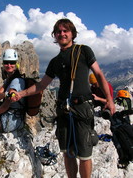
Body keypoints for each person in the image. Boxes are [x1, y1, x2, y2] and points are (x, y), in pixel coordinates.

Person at [12, 19, 116, 178]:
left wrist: (109, 100)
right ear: (55, 35)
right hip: (63, 110)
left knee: (84, 153)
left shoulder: (84, 51)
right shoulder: (54, 62)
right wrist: (21, 94)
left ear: (72, 33)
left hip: (82, 108)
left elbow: (99, 74)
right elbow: (41, 86)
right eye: (58, 31)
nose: (62, 34)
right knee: (67, 153)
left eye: (65, 31)